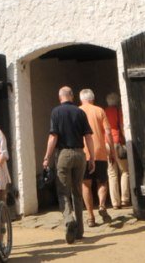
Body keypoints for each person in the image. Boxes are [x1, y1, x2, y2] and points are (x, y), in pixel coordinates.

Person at [41, 85, 91, 243]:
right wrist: (92, 157)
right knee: (77, 191)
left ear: (60, 97)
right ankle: (80, 231)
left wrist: (47, 157)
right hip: (79, 153)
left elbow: (53, 137)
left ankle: (69, 220)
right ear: (72, 96)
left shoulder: (56, 112)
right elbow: (88, 137)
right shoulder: (80, 112)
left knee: (63, 191)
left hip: (63, 154)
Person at [78, 88, 113, 225]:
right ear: (92, 98)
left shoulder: (78, 111)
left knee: (86, 184)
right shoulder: (100, 110)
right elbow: (108, 132)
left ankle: (90, 217)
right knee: (102, 181)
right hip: (100, 151)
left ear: (81, 99)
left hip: (84, 152)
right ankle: (102, 205)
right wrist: (112, 152)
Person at [105, 91, 130, 209]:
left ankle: (115, 202)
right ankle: (125, 199)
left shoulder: (104, 112)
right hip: (117, 142)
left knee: (112, 173)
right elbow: (122, 126)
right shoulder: (118, 111)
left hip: (106, 143)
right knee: (124, 171)